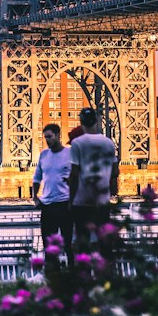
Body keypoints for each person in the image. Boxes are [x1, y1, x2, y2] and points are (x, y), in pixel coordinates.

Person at [69, 107, 118, 250]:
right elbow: (115, 171)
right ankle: (105, 271)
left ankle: (83, 271)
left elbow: (74, 174)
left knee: (83, 245)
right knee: (104, 244)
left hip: (82, 202)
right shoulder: (108, 143)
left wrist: (71, 201)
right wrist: (112, 193)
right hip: (102, 202)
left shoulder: (77, 143)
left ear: (81, 122)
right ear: (97, 122)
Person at [32, 122, 75, 267]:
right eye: (45, 138)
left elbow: (77, 176)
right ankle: (53, 275)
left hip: (65, 204)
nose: (47, 140)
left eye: (50, 137)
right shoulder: (44, 155)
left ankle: (72, 273)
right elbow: (37, 177)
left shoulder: (70, 154)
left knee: (68, 243)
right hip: (48, 205)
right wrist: (35, 197)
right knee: (49, 245)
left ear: (58, 136)